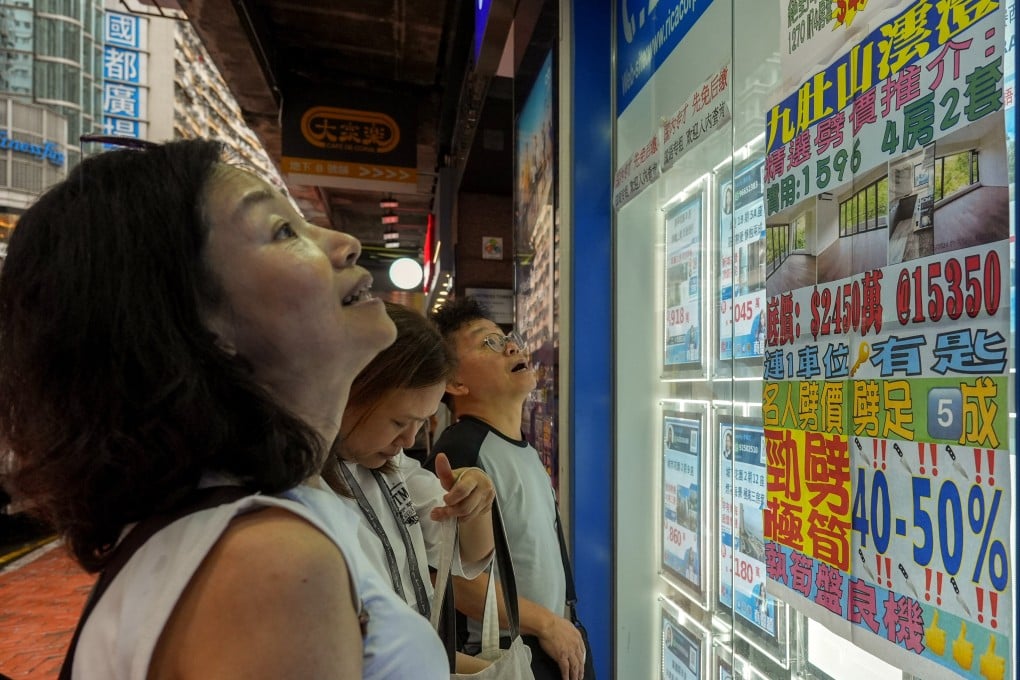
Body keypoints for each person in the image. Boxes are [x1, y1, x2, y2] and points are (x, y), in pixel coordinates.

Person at [0, 139, 448, 679]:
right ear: (197, 323)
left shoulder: (249, 519)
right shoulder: (268, 563)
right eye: (283, 231)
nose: (346, 243)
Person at [323, 301, 495, 674]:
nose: (409, 438)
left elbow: (467, 555)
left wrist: (476, 495)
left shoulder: (392, 467)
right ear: (348, 392)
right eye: (400, 420)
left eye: (422, 422)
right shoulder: (304, 497)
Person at [429, 297, 594, 680]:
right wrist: (546, 624)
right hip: (508, 654)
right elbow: (450, 578)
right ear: (455, 382)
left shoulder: (519, 447)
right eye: (486, 342)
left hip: (552, 640)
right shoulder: (460, 451)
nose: (512, 346)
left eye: (507, 338)